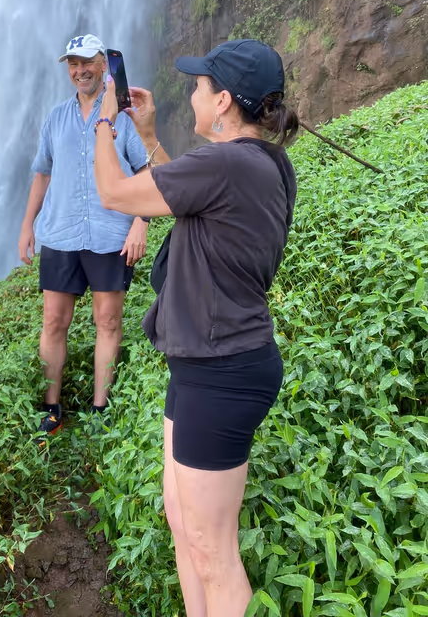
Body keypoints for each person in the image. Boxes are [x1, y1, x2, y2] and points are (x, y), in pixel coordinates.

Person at [93, 39, 299, 617]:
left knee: (214, 551)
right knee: (181, 519)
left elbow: (113, 192)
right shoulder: (262, 164)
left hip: (222, 371)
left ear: (225, 101)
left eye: (200, 86)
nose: (192, 94)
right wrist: (153, 138)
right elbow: (189, 196)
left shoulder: (228, 164)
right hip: (203, 364)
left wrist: (105, 119)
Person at [19, 33, 150, 440]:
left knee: (107, 321)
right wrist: (27, 225)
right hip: (59, 234)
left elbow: (147, 170)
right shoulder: (56, 117)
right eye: (73, 64)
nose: (80, 71)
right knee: (53, 321)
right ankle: (51, 408)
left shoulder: (123, 118)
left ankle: (100, 409)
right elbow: (42, 172)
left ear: (103, 64)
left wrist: (140, 223)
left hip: (111, 235)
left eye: (87, 62)